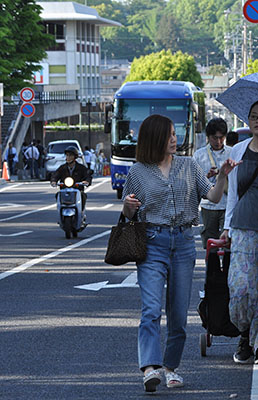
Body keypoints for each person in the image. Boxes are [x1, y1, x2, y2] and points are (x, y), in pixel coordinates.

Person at [122, 114, 240, 393]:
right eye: (169, 135)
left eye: (176, 134)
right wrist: (128, 206)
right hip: (151, 242)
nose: (175, 139)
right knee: (151, 309)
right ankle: (150, 368)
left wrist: (223, 175)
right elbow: (128, 214)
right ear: (154, 138)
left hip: (184, 243)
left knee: (178, 315)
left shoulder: (189, 165)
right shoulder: (138, 172)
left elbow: (213, 197)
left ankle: (170, 367)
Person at [220, 101, 258, 365]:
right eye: (254, 116)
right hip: (243, 226)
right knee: (241, 287)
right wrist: (226, 227)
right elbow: (232, 193)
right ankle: (244, 332)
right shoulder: (238, 149)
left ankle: (254, 341)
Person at [193, 118, 231, 248]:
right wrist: (207, 176)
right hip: (208, 206)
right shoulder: (199, 155)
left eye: (222, 138)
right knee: (210, 244)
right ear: (208, 137)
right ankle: (211, 267)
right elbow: (194, 181)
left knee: (228, 243)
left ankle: (226, 267)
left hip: (227, 203)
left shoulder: (232, 153)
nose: (218, 141)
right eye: (215, 138)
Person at [50, 146, 92, 210]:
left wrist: (87, 181)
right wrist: (53, 181)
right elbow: (55, 175)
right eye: (67, 155)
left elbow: (87, 175)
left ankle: (81, 212)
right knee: (58, 195)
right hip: (64, 189)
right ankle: (60, 212)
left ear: (75, 157)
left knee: (83, 195)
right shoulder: (62, 168)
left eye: (70, 155)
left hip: (77, 190)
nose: (68, 157)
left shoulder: (81, 168)